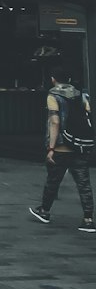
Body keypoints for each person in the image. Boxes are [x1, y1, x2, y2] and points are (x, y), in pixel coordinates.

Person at [29, 66, 95, 232]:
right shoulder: (81, 95)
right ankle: (88, 219)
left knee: (53, 181)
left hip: (61, 147)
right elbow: (87, 116)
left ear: (53, 79)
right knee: (84, 183)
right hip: (79, 145)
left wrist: (51, 147)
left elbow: (55, 122)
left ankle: (44, 211)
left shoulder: (53, 95)